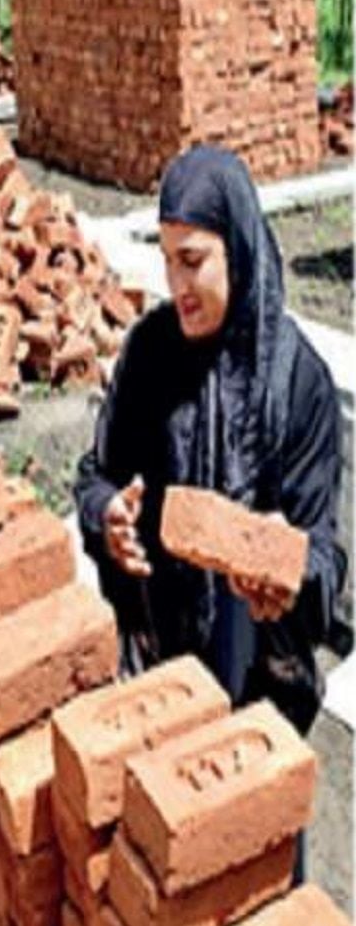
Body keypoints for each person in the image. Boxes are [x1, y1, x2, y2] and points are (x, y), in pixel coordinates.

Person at [75, 144, 346, 741]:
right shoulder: (149, 354)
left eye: (192, 261)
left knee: (251, 828)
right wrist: (110, 519)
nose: (177, 285)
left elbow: (326, 562)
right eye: (167, 260)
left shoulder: (299, 384)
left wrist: (285, 567)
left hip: (261, 701)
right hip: (160, 682)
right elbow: (96, 476)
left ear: (239, 249)